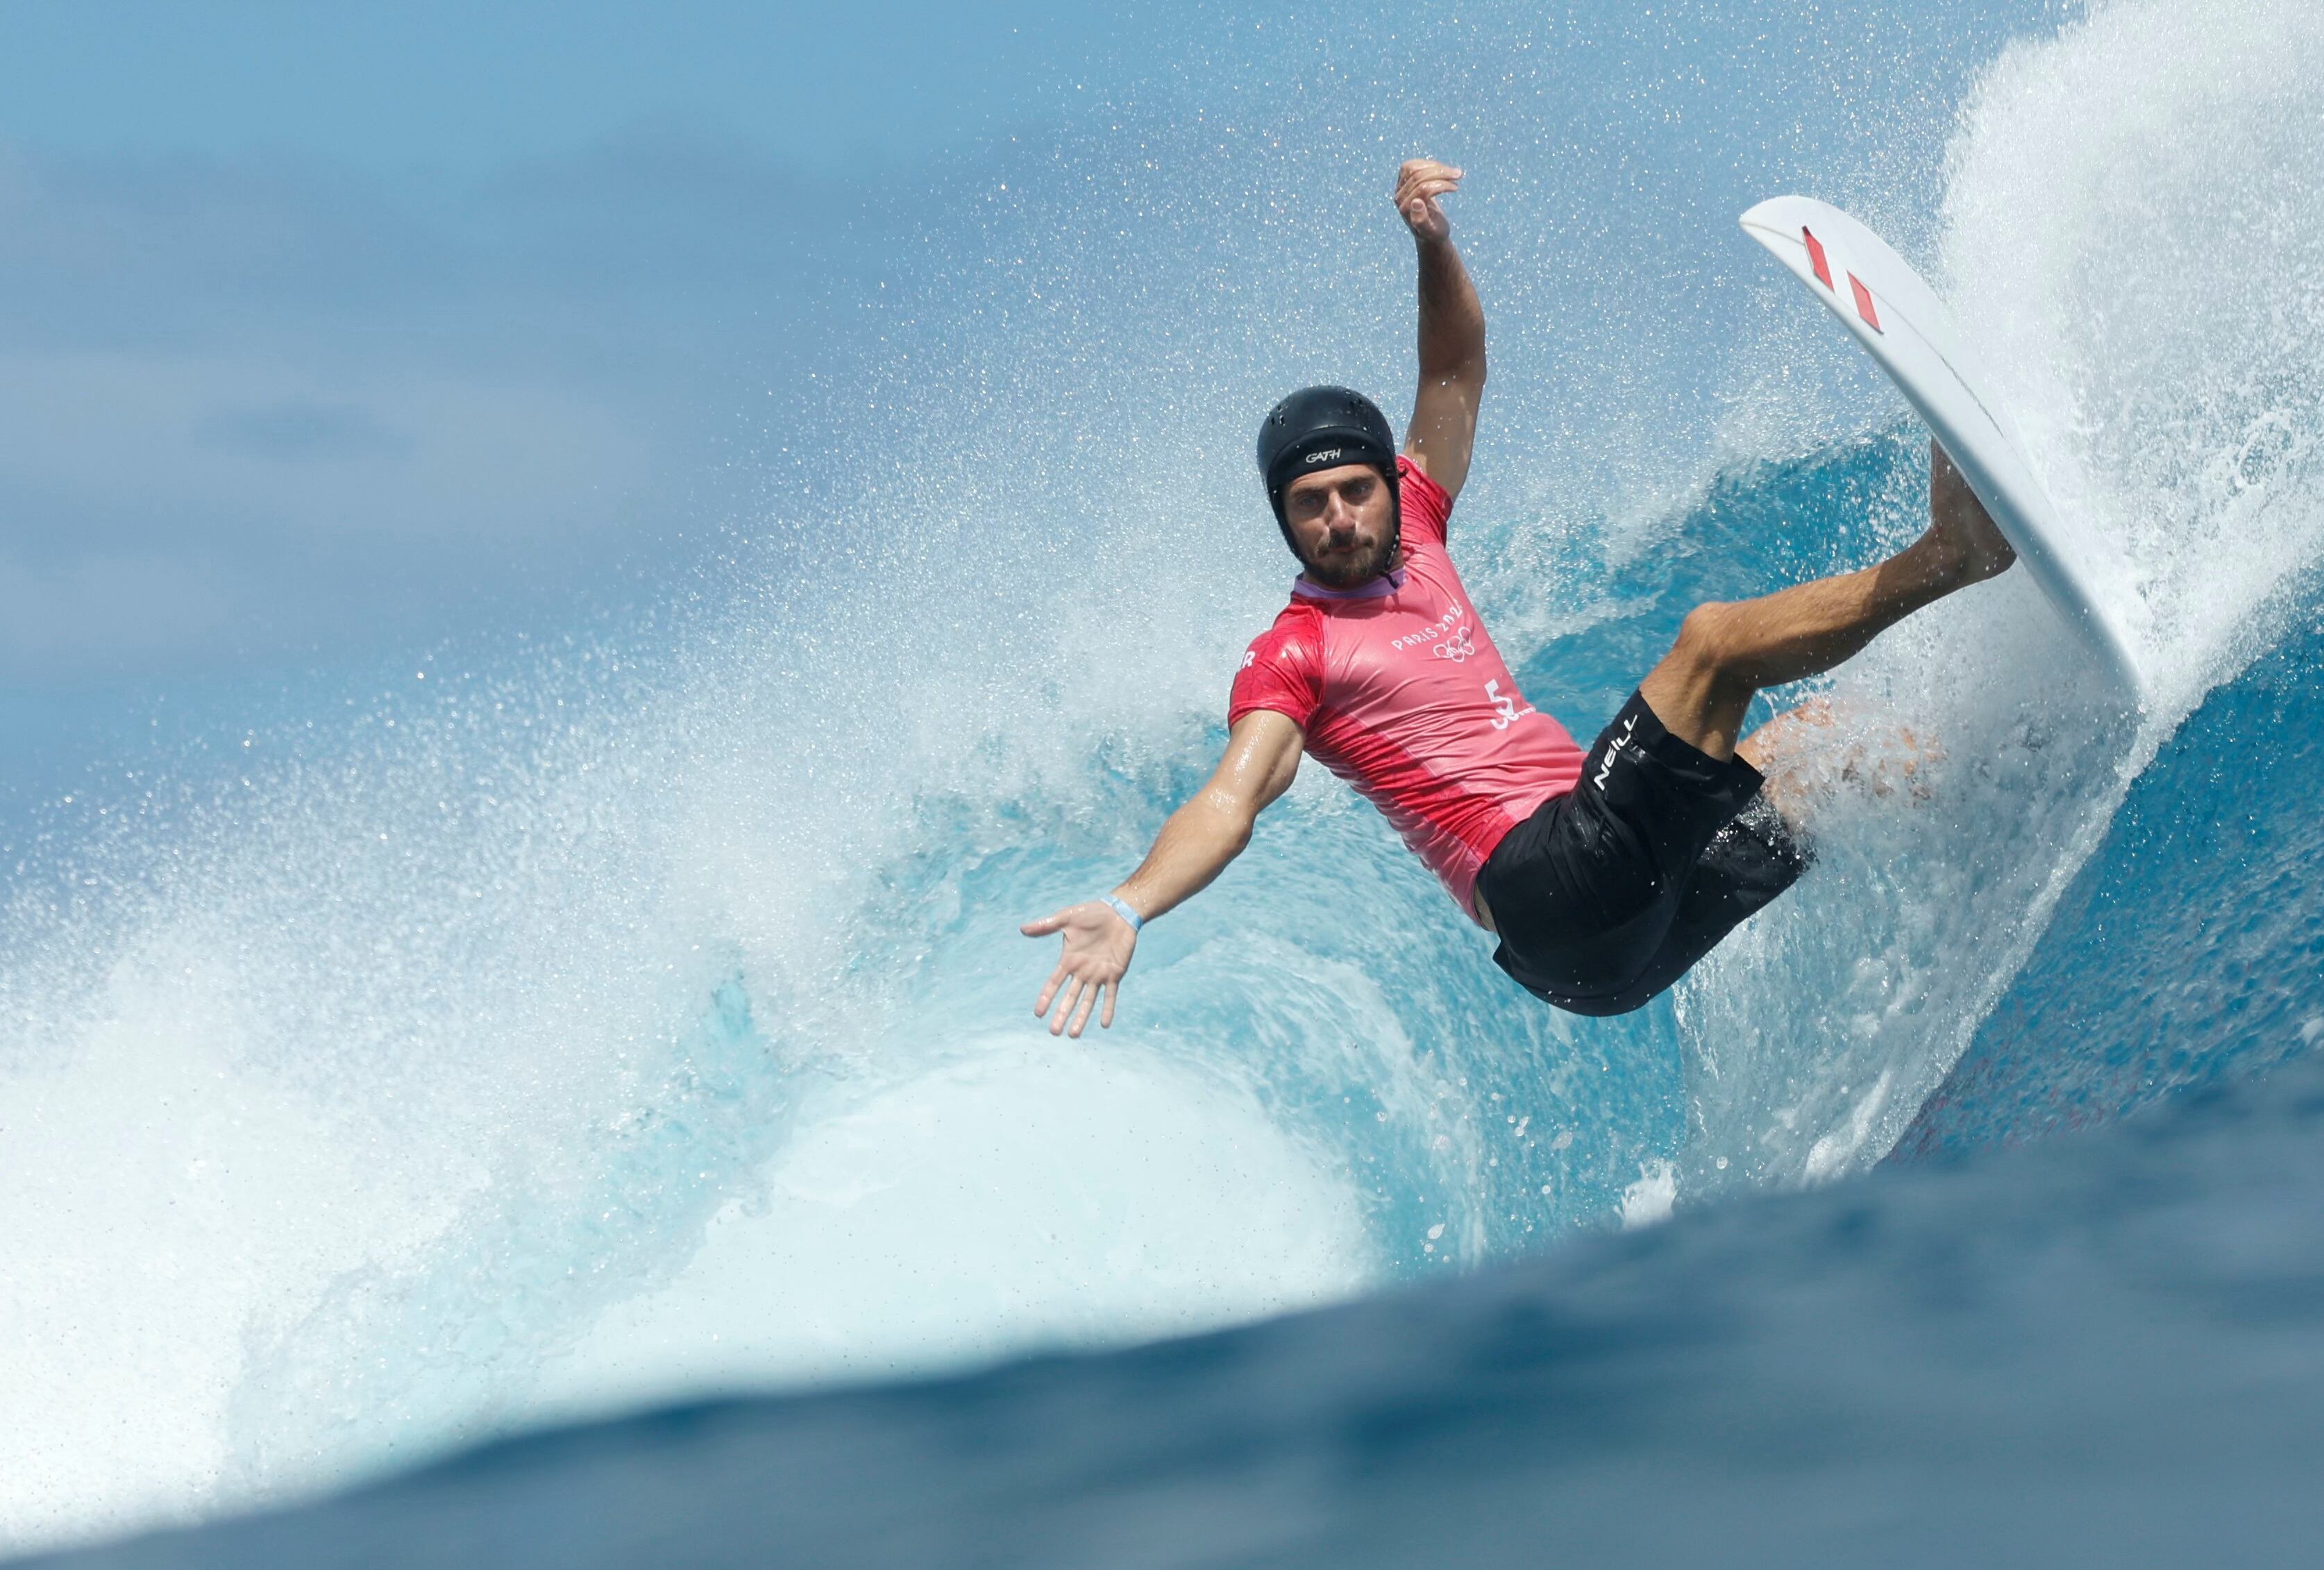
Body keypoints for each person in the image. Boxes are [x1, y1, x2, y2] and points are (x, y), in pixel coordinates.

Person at [1023, 158, 2015, 1034]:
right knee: (1712, 644)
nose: (1336, 516)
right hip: (1549, 888)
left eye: (1353, 491)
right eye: (1309, 504)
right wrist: (1131, 904)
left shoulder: (1420, 516)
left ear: (1387, 483)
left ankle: (2025, 765)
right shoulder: (1294, 654)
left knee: (1839, 749)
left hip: (1602, 964)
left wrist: (1431, 243)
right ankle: (1951, 556)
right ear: (1285, 521)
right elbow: (1230, 801)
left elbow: (1454, 365)